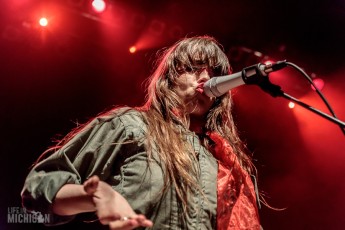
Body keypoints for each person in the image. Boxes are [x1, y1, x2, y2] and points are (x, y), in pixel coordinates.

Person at [21, 35, 261, 229]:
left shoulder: (221, 159)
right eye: (194, 67)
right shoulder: (131, 126)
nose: (206, 77)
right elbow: (40, 188)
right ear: (170, 77)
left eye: (214, 72)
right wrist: (98, 196)